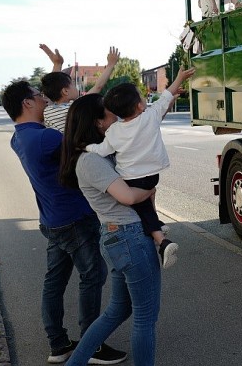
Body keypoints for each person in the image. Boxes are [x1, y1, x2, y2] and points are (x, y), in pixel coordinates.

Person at [1, 81, 126, 365]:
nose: (45, 100)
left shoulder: (19, 137)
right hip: (73, 220)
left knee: (54, 282)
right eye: (38, 96)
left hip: (51, 219)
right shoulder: (46, 139)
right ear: (27, 104)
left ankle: (58, 345)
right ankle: (92, 345)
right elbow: (89, 152)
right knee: (93, 276)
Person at [59, 94, 161, 366]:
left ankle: (75, 362)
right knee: (145, 317)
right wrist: (150, 189)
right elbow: (127, 196)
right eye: (109, 114)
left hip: (119, 238)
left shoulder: (96, 153)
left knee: (118, 310)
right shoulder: (90, 161)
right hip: (129, 238)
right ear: (98, 122)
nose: (115, 117)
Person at [84, 66, 196, 268]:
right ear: (139, 106)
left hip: (131, 179)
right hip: (153, 175)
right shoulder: (150, 117)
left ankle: (162, 242)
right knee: (147, 201)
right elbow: (166, 95)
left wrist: (86, 147)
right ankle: (158, 226)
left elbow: (101, 151)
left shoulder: (114, 131)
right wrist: (179, 77)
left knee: (142, 209)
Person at [40, 45, 121, 133]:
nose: (76, 87)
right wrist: (111, 65)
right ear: (65, 91)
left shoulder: (47, 111)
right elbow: (98, 86)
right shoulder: (75, 107)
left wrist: (57, 64)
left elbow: (53, 84)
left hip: (62, 146)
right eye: (73, 84)